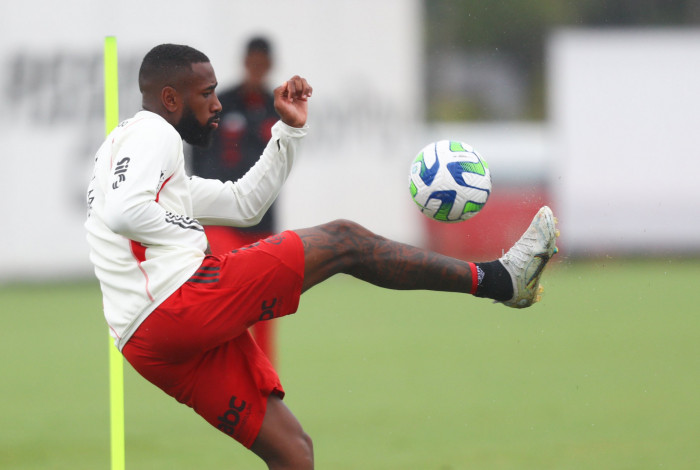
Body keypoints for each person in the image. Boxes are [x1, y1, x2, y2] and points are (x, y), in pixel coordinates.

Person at [85, 43, 558, 470]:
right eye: (206, 94)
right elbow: (125, 211)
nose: (217, 104)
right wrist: (193, 238)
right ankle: (500, 280)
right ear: (170, 99)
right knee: (344, 239)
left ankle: (503, 281)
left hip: (147, 340)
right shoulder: (155, 133)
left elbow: (244, 204)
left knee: (293, 451)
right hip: (177, 305)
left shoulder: (132, 147)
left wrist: (288, 131)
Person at [188, 36, 280, 364]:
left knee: (267, 308)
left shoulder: (276, 108)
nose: (256, 69)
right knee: (230, 296)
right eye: (252, 63)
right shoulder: (221, 103)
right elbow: (197, 150)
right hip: (222, 219)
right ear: (244, 63)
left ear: (269, 66)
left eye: (262, 64)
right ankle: (228, 370)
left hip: (263, 221)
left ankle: (266, 380)